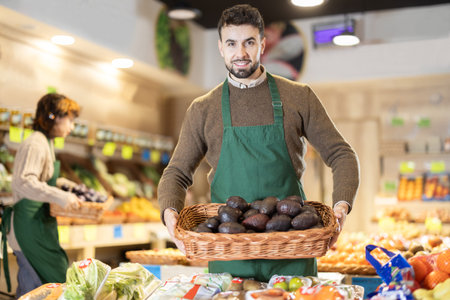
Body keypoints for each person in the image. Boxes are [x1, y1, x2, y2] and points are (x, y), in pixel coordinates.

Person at [158, 4, 360, 282]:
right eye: (231, 43)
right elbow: (177, 172)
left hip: (292, 247)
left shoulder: (298, 97)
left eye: (249, 42)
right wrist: (170, 214)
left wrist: (341, 206)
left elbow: (342, 154)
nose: (240, 53)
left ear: (262, 44)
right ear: (220, 47)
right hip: (230, 252)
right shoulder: (203, 108)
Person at [1, 93, 81, 297]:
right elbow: (25, 181)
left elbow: (41, 180)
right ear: (53, 116)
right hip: (27, 228)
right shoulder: (36, 143)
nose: (72, 127)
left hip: (38, 224)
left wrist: (62, 185)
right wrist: (60, 196)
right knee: (34, 288)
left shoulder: (47, 143)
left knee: (47, 284)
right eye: (70, 120)